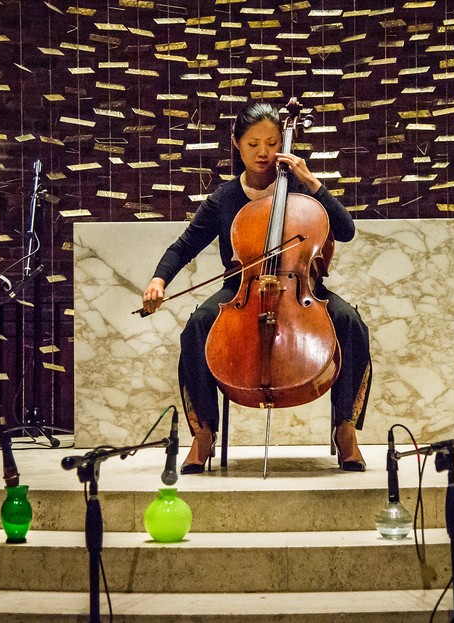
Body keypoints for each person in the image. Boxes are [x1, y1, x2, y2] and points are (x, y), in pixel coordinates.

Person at [141, 102, 372, 473]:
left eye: (271, 142)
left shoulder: (301, 191)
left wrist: (312, 181)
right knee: (196, 326)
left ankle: (345, 429)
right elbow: (184, 246)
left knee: (351, 323)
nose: (264, 152)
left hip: (302, 287)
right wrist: (158, 279)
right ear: (236, 144)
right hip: (241, 290)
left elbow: (345, 231)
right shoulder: (224, 199)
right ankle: (203, 433)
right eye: (253, 144)